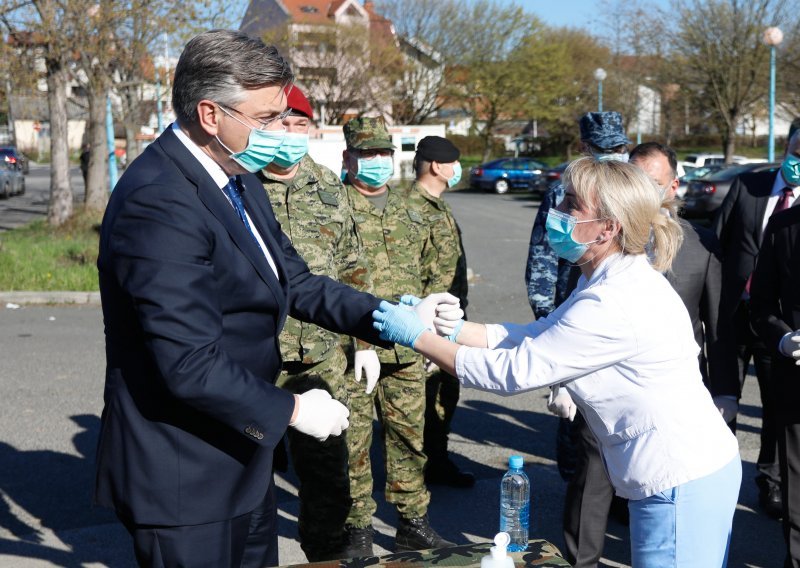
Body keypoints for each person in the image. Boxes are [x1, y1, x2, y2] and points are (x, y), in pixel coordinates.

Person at [95, 30, 401, 568]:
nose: (281, 131)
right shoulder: (160, 200)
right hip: (187, 477)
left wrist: (390, 318)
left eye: (284, 115)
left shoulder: (237, 177)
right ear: (210, 115)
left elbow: (296, 282)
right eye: (266, 119)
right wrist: (294, 409)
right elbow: (189, 363)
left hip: (244, 457)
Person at [375, 157, 742, 567]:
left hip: (678, 478)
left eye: (572, 205)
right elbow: (538, 335)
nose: (557, 212)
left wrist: (416, 337)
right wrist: (457, 329)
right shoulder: (606, 277)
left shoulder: (614, 301)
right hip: (681, 473)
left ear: (609, 226)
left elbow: (511, 372)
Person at [548, 142, 740, 567]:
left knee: (657, 510)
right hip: (596, 386)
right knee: (591, 481)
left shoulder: (700, 245)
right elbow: (569, 314)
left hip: (658, 403)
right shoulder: (594, 235)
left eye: (652, 183)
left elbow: (719, 326)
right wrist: (562, 377)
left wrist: (727, 391)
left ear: (672, 186)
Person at [256, 85, 378, 561]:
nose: (289, 132)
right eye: (281, 123)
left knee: (328, 481)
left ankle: (323, 557)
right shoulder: (240, 185)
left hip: (323, 358)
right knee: (249, 479)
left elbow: (352, 264)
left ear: (311, 128)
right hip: (259, 357)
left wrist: (365, 342)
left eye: (298, 124)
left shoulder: (328, 186)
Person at [340, 117, 453, 556]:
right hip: (354, 346)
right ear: (348, 157)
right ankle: (357, 528)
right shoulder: (334, 206)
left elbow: (432, 271)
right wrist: (358, 342)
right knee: (355, 441)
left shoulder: (411, 207)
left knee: (409, 435)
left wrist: (432, 334)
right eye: (366, 154)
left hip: (408, 345)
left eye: (383, 154)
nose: (376, 162)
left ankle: (412, 521)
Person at [525, 111, 630, 566]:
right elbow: (542, 269)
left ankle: (617, 498)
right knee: (577, 434)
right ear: (586, 147)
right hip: (572, 319)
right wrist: (550, 337)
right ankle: (579, 500)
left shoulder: (632, 186)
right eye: (603, 149)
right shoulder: (563, 195)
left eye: (617, 148)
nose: (611, 156)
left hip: (619, 322)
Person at [713, 130, 800, 518]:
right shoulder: (749, 186)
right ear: (785, 150)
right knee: (721, 398)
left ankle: (771, 482)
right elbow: (716, 241)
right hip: (732, 312)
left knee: (775, 406)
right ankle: (717, 474)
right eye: (796, 152)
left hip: (776, 322)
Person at [407, 136, 474, 489]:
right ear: (437, 166)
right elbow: (406, 270)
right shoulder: (411, 208)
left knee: (444, 397)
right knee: (418, 402)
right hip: (426, 324)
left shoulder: (437, 205)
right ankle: (413, 476)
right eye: (453, 162)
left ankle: (438, 461)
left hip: (449, 322)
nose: (456, 169)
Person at [750, 205, 800, 567]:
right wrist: (783, 340)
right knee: (797, 495)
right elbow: (762, 304)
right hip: (795, 382)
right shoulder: (783, 226)